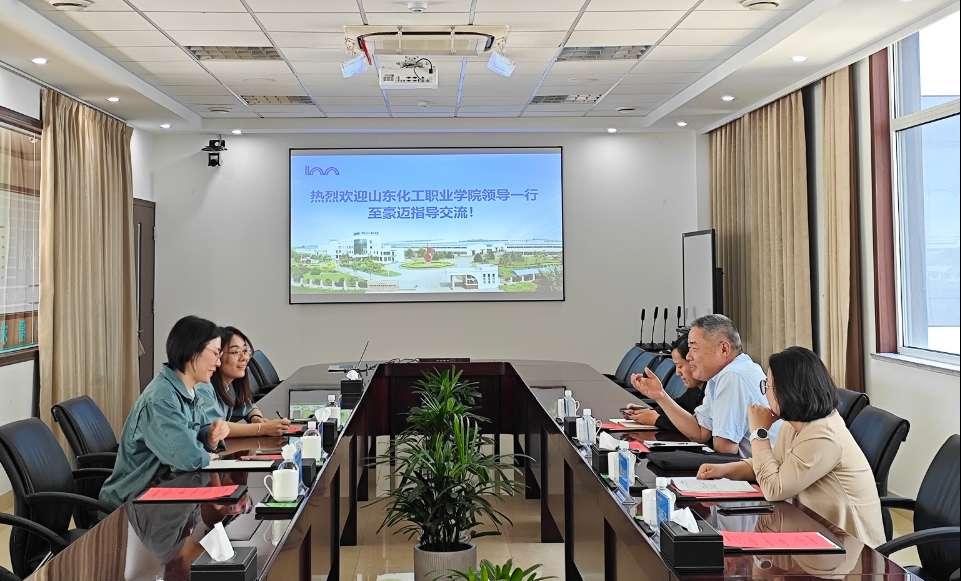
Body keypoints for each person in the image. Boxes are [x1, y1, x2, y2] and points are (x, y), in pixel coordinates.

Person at [697, 346, 885, 547]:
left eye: (767, 386)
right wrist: (724, 470)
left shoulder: (823, 435)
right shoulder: (794, 424)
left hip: (849, 547)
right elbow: (771, 465)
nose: (765, 394)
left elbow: (774, 489)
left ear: (787, 391)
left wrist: (759, 433)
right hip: (812, 531)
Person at [100, 315, 230, 510]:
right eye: (215, 353)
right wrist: (206, 455)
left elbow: (197, 433)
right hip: (133, 506)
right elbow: (187, 457)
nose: (218, 363)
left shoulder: (188, 390)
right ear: (193, 351)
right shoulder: (161, 399)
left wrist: (210, 435)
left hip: (164, 497)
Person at [631, 314, 776, 457]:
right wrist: (660, 395)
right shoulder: (720, 375)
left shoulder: (733, 375)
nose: (688, 356)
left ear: (724, 349)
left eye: (694, 348)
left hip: (763, 470)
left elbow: (725, 450)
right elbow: (700, 432)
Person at [197, 326, 289, 437]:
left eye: (245, 351)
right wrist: (262, 429)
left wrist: (256, 418)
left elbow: (247, 406)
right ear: (217, 356)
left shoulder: (231, 384)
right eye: (235, 352)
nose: (244, 357)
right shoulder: (203, 387)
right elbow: (215, 427)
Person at [622, 333, 705, 431]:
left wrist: (655, 419)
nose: (677, 373)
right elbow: (680, 408)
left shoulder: (713, 389)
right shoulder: (696, 389)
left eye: (680, 366)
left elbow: (695, 428)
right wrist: (648, 412)